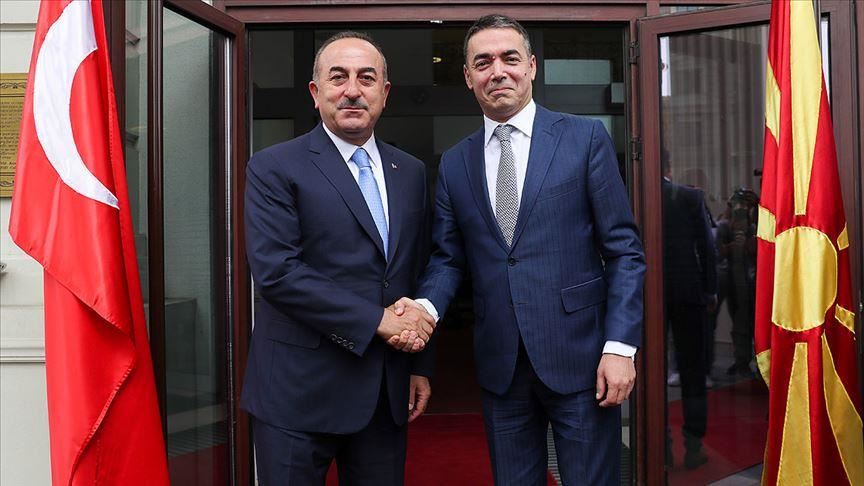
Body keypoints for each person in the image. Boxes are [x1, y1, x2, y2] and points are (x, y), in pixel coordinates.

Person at [393, 15, 645, 485]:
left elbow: (624, 252)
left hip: (583, 361)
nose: (498, 71)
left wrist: (620, 347)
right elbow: (448, 258)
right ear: (468, 77)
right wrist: (424, 309)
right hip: (501, 368)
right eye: (483, 62)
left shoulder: (584, 138)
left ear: (531, 65)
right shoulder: (455, 163)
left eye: (509, 58)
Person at [240, 32, 437, 486]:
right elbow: (277, 273)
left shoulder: (409, 171)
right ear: (316, 92)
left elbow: (415, 269)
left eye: (366, 78)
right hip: (296, 394)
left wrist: (419, 365)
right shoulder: (273, 167)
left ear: (384, 93)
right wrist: (378, 321)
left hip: (384, 391)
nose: (352, 90)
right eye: (338, 77)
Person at [662, 158, 717, 468]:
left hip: (649, 294)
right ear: (670, 167)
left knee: (652, 374)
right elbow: (707, 248)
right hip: (688, 292)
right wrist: (710, 290)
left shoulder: (635, 195)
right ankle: (694, 447)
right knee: (693, 373)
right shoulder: (690, 197)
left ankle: (662, 450)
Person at [716, 187, 758, 378]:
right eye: (738, 205)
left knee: (756, 324)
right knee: (740, 323)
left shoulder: (757, 225)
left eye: (745, 205)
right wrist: (733, 246)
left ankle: (759, 362)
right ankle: (742, 361)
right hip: (735, 280)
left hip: (753, 280)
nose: (741, 210)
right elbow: (718, 250)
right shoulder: (725, 226)